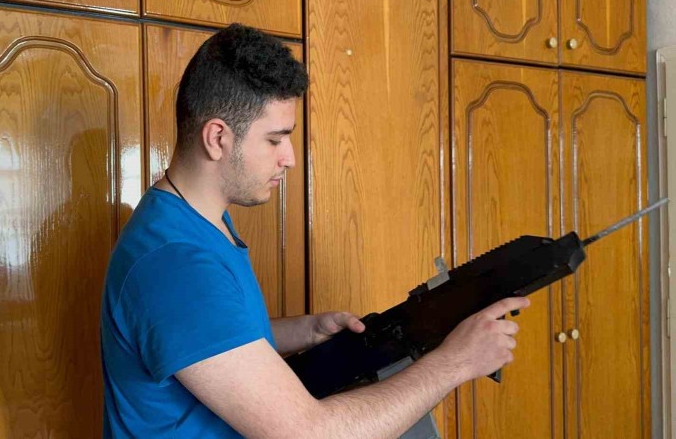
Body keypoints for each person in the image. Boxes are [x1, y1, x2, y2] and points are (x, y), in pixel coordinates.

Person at [100, 23, 530, 438]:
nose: (288, 157)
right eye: (274, 139)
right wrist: (455, 362)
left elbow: (209, 336)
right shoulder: (176, 263)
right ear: (217, 138)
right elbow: (309, 432)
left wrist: (305, 330)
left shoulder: (191, 224)